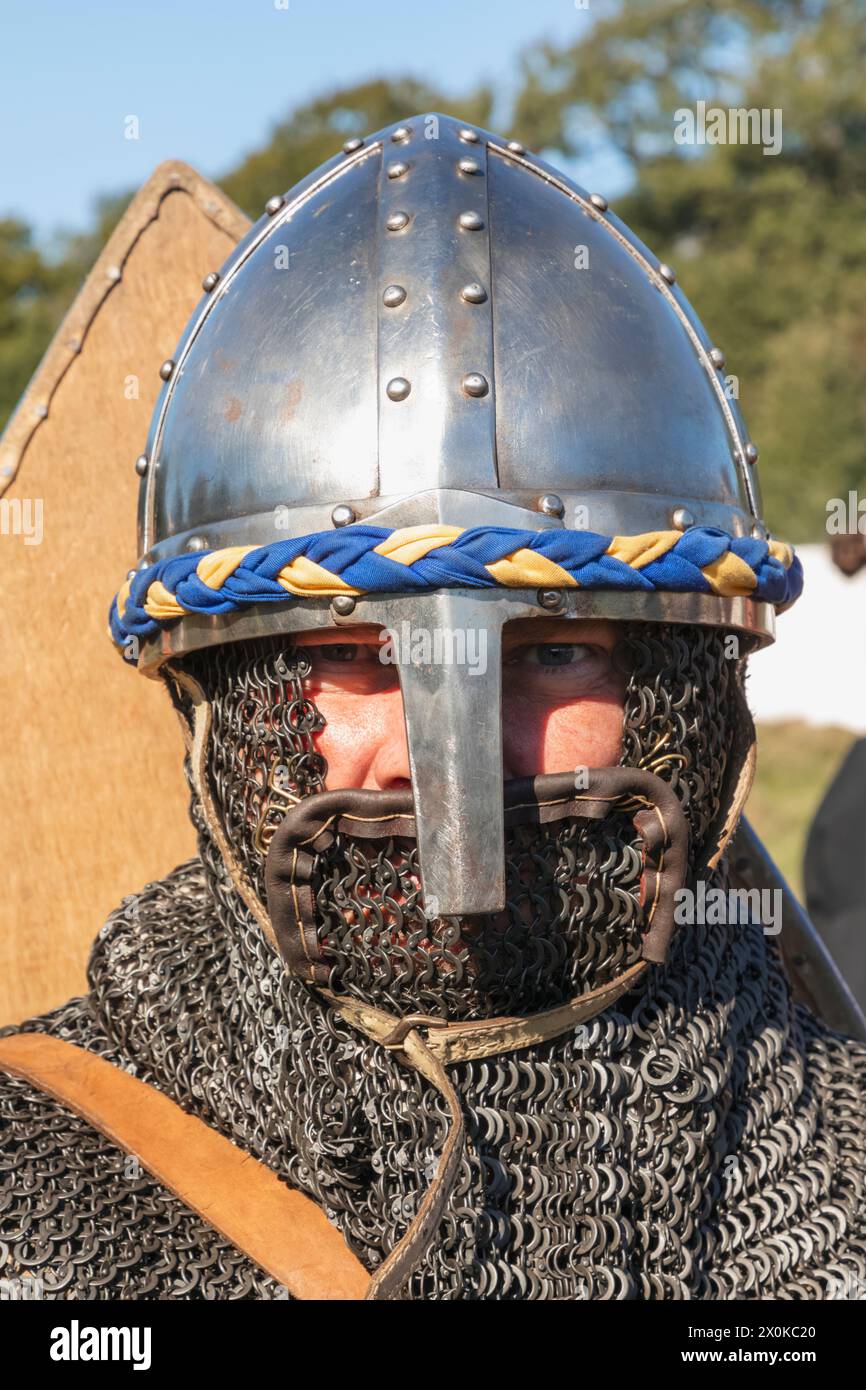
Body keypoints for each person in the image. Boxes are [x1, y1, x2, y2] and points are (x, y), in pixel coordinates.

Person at [1, 113, 863, 1303]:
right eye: (355, 657)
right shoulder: (35, 1186)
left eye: (557, 653)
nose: (433, 758)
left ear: (693, 703)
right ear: (221, 711)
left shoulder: (837, 1170)